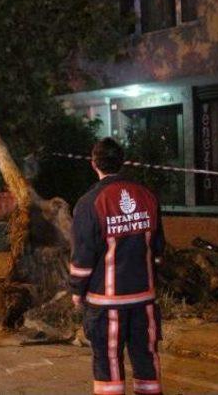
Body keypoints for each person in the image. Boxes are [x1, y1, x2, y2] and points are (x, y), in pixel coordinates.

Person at [70, 137, 165, 395]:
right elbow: (158, 250)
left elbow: (82, 257)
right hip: (144, 300)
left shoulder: (89, 202)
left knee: (108, 364)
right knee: (147, 362)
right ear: (122, 162)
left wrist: (77, 292)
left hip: (106, 304)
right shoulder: (148, 196)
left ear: (94, 163)